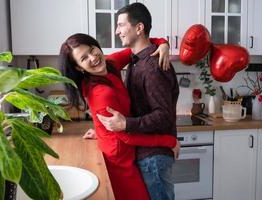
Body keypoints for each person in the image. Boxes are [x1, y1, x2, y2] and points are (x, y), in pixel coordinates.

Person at [58, 33, 180, 200]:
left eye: (92, 50)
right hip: (120, 161)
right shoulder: (102, 93)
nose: (93, 58)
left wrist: (163, 44)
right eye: (84, 58)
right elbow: (126, 136)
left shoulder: (111, 65)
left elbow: (138, 45)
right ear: (79, 67)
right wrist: (168, 141)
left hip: (122, 149)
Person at [97, 3, 179, 200]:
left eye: (121, 25)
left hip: (154, 158)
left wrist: (126, 124)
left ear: (139, 28)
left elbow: (163, 116)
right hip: (147, 154)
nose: (117, 31)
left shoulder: (152, 67)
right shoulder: (137, 61)